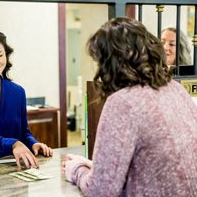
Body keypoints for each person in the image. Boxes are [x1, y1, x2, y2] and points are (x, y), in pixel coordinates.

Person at [62, 17, 197, 196]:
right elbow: (151, 165)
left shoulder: (123, 103)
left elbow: (101, 191)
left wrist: (76, 170)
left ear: (111, 63)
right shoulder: (176, 90)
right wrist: (96, 168)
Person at [0, 26, 52, 169]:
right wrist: (13, 145)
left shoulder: (18, 92)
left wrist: (32, 143)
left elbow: (23, 132)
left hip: (17, 169)